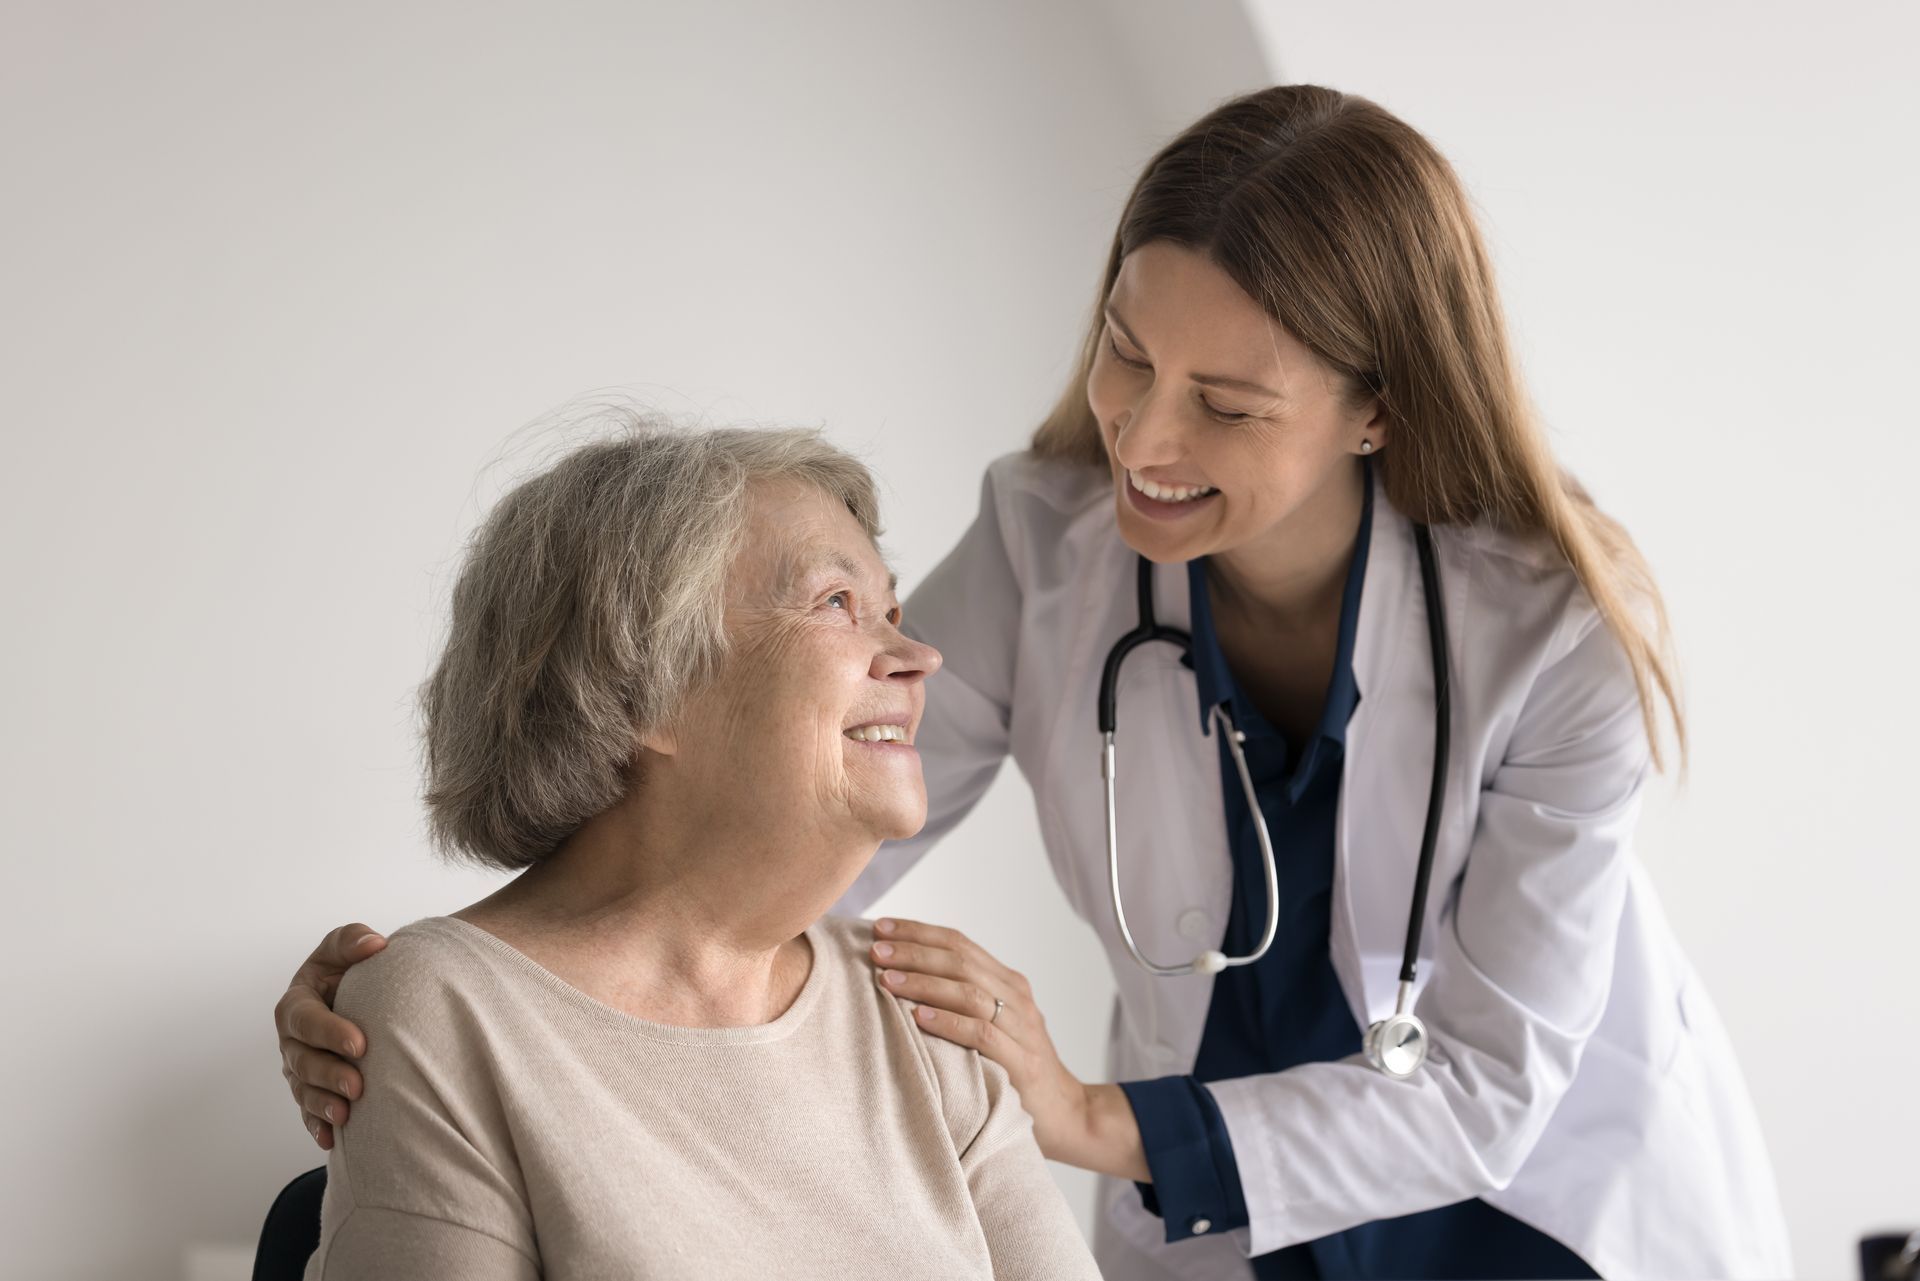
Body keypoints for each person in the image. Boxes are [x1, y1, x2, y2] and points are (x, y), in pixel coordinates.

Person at [276, 86, 1792, 1279]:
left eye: (1226, 405)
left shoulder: (1546, 632)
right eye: (1128, 358)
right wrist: (472, 996)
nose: (1140, 442)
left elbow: (1483, 1085)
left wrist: (1086, 1119)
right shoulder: (1049, 544)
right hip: (1225, 1230)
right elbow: (759, 815)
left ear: (1377, 410)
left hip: (1537, 1212)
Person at [292, 426, 1102, 1280]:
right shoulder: (446, 1014)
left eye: (891, 611)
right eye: (837, 602)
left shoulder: (927, 1012)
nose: (920, 656)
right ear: (645, 683)